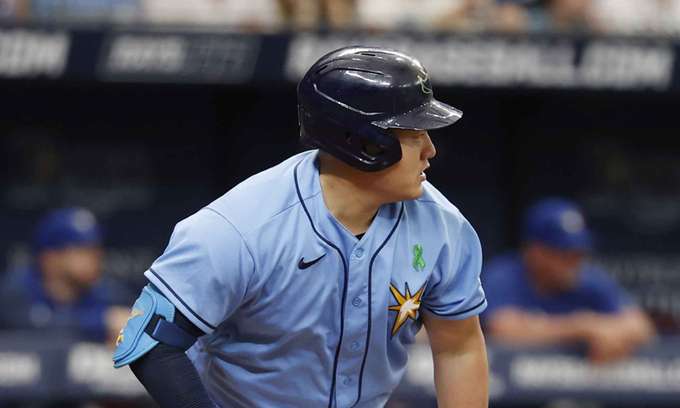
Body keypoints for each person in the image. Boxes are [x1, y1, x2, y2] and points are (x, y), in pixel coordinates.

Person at [113, 46, 489, 408]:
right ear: (364, 142)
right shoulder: (241, 227)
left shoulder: (444, 228)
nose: (430, 151)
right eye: (415, 135)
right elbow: (150, 342)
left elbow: (458, 347)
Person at [481, 197, 656, 364]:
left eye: (579, 253)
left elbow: (642, 327)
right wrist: (581, 327)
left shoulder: (588, 278)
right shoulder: (503, 274)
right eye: (564, 253)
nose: (575, 262)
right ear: (535, 251)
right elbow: (502, 329)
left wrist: (610, 333)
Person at [0, 207, 133, 345]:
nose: (96, 258)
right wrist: (101, 323)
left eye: (96, 249)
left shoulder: (105, 293)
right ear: (50, 258)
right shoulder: (16, 292)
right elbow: (40, 328)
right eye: (83, 250)